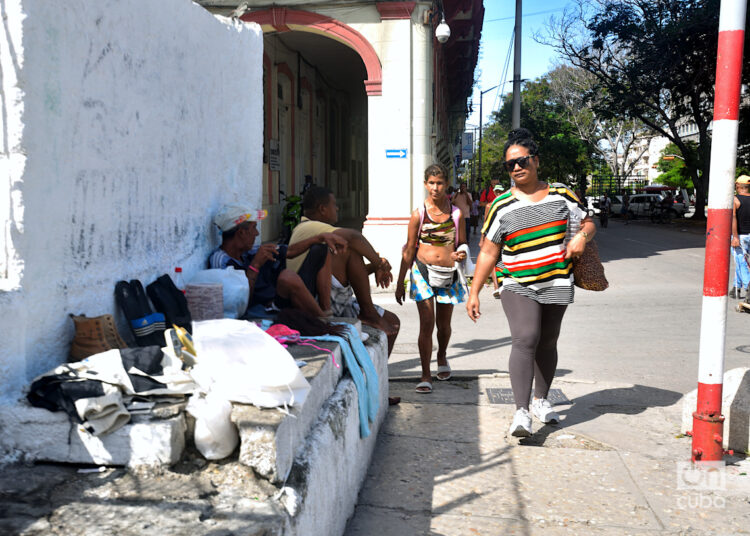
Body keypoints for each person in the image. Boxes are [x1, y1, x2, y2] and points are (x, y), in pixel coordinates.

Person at [466, 128, 596, 437]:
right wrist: (474, 292)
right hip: (516, 282)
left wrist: (581, 236)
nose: (516, 168)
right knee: (526, 337)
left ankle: (541, 400)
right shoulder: (501, 205)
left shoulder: (561, 194)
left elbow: (588, 221)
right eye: (510, 165)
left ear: (535, 160)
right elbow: (488, 251)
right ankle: (521, 412)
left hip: (557, 279)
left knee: (548, 341)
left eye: (522, 161)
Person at [288, 187, 401, 355]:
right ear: (322, 209)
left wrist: (374, 267)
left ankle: (375, 377)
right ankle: (368, 311)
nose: (337, 209)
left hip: (338, 298)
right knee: (348, 247)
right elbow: (354, 237)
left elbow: (353, 273)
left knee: (393, 323)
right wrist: (380, 263)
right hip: (314, 299)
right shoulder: (308, 226)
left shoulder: (320, 230)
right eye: (334, 205)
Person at [396, 164, 468, 394]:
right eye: (431, 183)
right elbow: (409, 249)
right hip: (421, 272)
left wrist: (462, 252)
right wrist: (399, 282)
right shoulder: (419, 213)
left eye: (439, 183)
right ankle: (425, 373)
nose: (435, 188)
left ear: (446, 184)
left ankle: (442, 355)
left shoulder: (456, 213)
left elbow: (462, 243)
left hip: (448, 275)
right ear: (425, 184)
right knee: (426, 323)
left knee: (443, 325)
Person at [208, 205, 346, 318]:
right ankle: (324, 321)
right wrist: (255, 266)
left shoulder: (251, 251)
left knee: (319, 249)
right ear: (241, 233)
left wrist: (319, 237)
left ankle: (326, 311)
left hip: (280, 299)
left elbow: (290, 252)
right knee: (287, 277)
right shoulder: (221, 261)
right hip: (261, 310)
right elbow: (237, 303)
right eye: (253, 228)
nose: (256, 233)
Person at [731, 175, 750, 299]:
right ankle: (735, 288)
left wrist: (735, 237)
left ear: (738, 186)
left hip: (741, 236)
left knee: (741, 263)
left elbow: (733, 219)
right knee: (740, 262)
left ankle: (748, 288)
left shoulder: (735, 200)